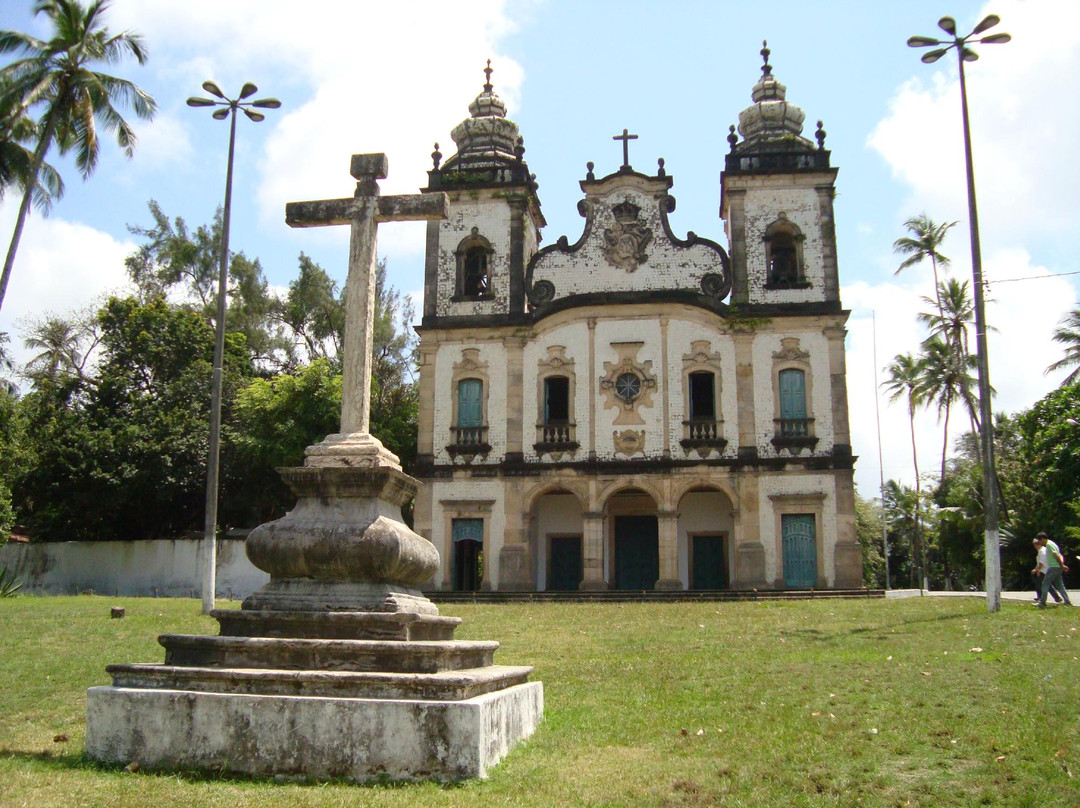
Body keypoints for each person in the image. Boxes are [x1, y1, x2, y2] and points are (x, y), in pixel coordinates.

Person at [1032, 532, 1071, 608]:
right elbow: (1059, 555)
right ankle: (1067, 601)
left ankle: (1042, 602)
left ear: (1042, 539)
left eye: (1039, 541)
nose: (1039, 543)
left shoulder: (1049, 545)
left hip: (1053, 567)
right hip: (1057, 567)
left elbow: (1056, 555)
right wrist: (1061, 565)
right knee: (1060, 585)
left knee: (1045, 584)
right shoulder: (1052, 544)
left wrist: (1062, 565)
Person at [1032, 538, 1064, 604]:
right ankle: (1056, 598)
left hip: (1045, 570)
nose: (1035, 547)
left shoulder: (1042, 551)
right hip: (1043, 570)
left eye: (1035, 545)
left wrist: (1036, 570)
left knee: (1042, 584)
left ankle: (1042, 600)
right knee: (1047, 585)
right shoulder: (1041, 551)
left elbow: (1042, 563)